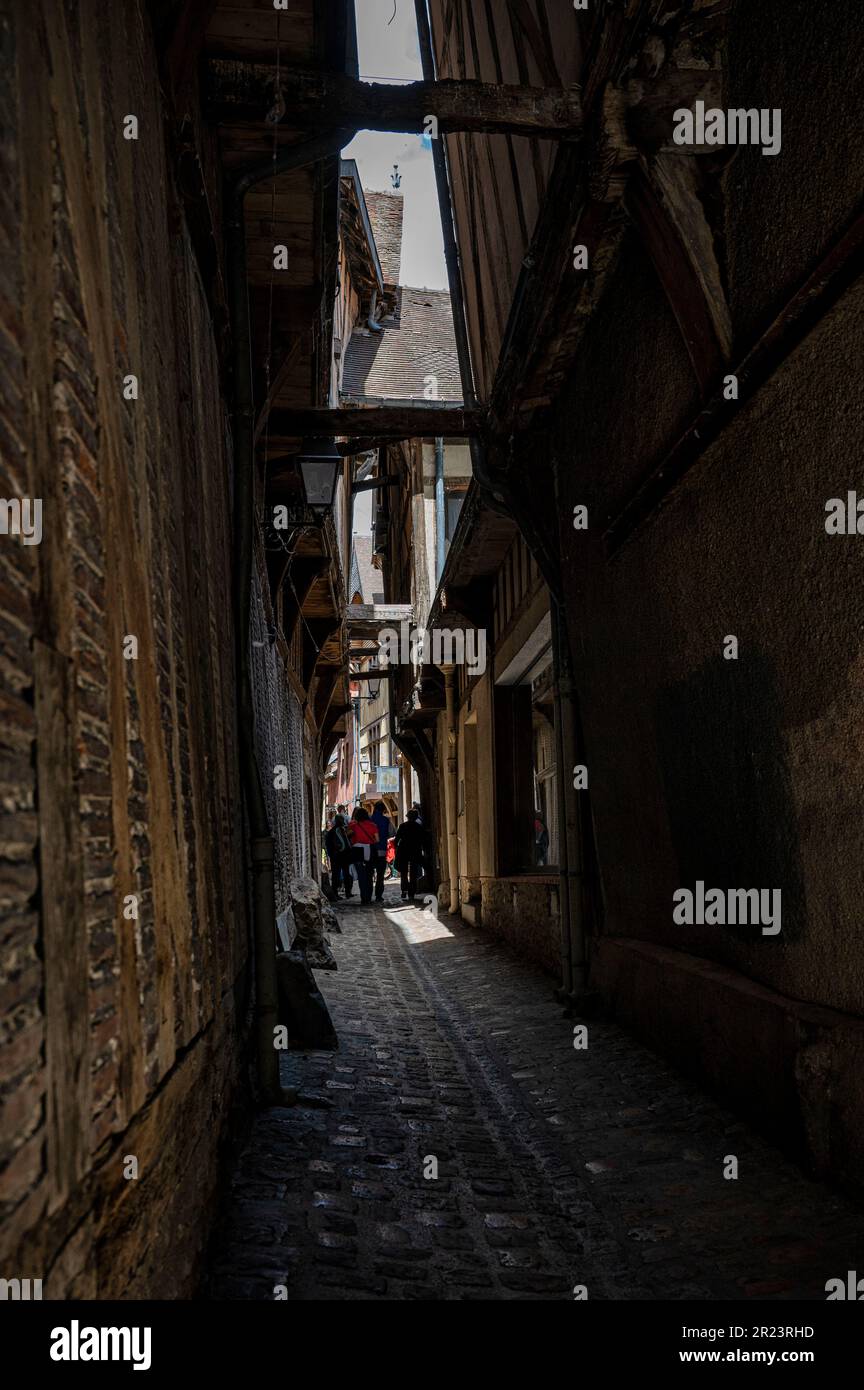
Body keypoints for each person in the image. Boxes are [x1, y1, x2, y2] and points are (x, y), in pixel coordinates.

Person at [347, 806, 379, 905]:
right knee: (369, 874)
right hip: (369, 849)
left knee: (361, 875)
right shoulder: (373, 825)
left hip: (357, 850)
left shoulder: (353, 825)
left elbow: (348, 836)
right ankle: (368, 897)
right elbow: (377, 840)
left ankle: (364, 898)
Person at [394, 808, 425, 901]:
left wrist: (397, 849)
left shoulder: (402, 826)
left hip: (403, 851)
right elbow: (422, 840)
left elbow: (396, 840)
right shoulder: (418, 827)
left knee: (403, 872)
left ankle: (404, 890)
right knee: (413, 872)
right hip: (415, 851)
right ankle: (411, 892)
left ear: (408, 817)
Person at [369, 800, 395, 901]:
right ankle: (378, 895)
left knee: (369, 873)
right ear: (383, 809)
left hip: (370, 850)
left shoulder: (369, 820)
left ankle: (368, 894)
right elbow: (392, 833)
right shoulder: (386, 820)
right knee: (380, 875)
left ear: (375, 808)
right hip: (382, 850)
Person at [324, 813, 353, 898]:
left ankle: (339, 893)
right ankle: (343, 893)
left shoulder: (335, 831)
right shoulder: (340, 830)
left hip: (339, 856)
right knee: (342, 874)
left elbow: (328, 844)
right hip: (341, 856)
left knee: (339, 874)